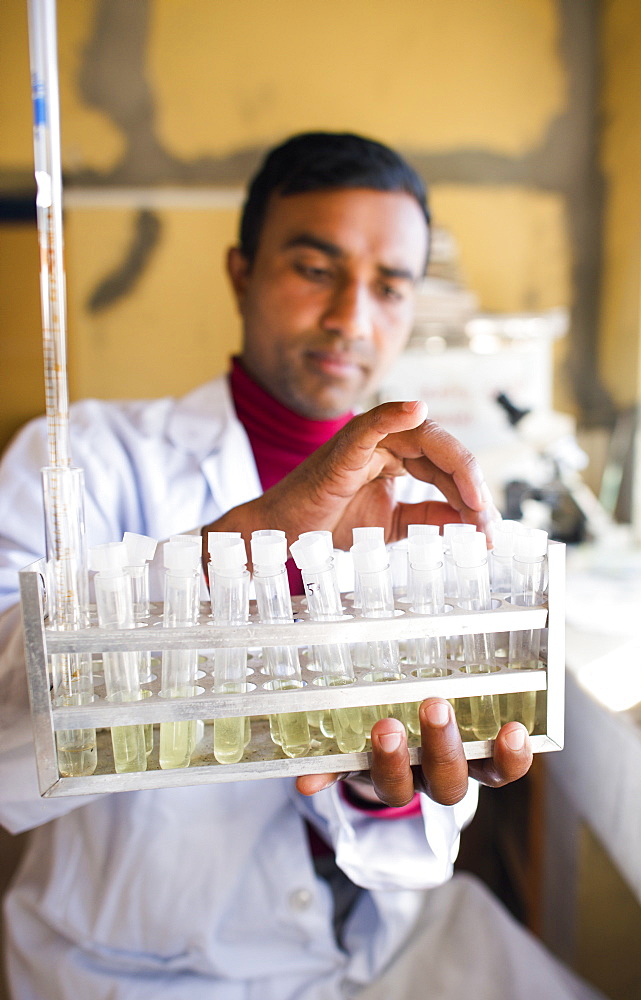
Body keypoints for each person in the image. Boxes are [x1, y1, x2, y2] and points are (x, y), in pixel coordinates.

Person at [0, 132, 604, 999]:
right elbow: (4, 733)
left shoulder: (420, 515)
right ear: (241, 270)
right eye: (315, 268)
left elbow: (412, 834)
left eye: (391, 286)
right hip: (140, 971)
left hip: (387, 946)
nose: (352, 318)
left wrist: (382, 794)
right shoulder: (83, 461)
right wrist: (257, 542)